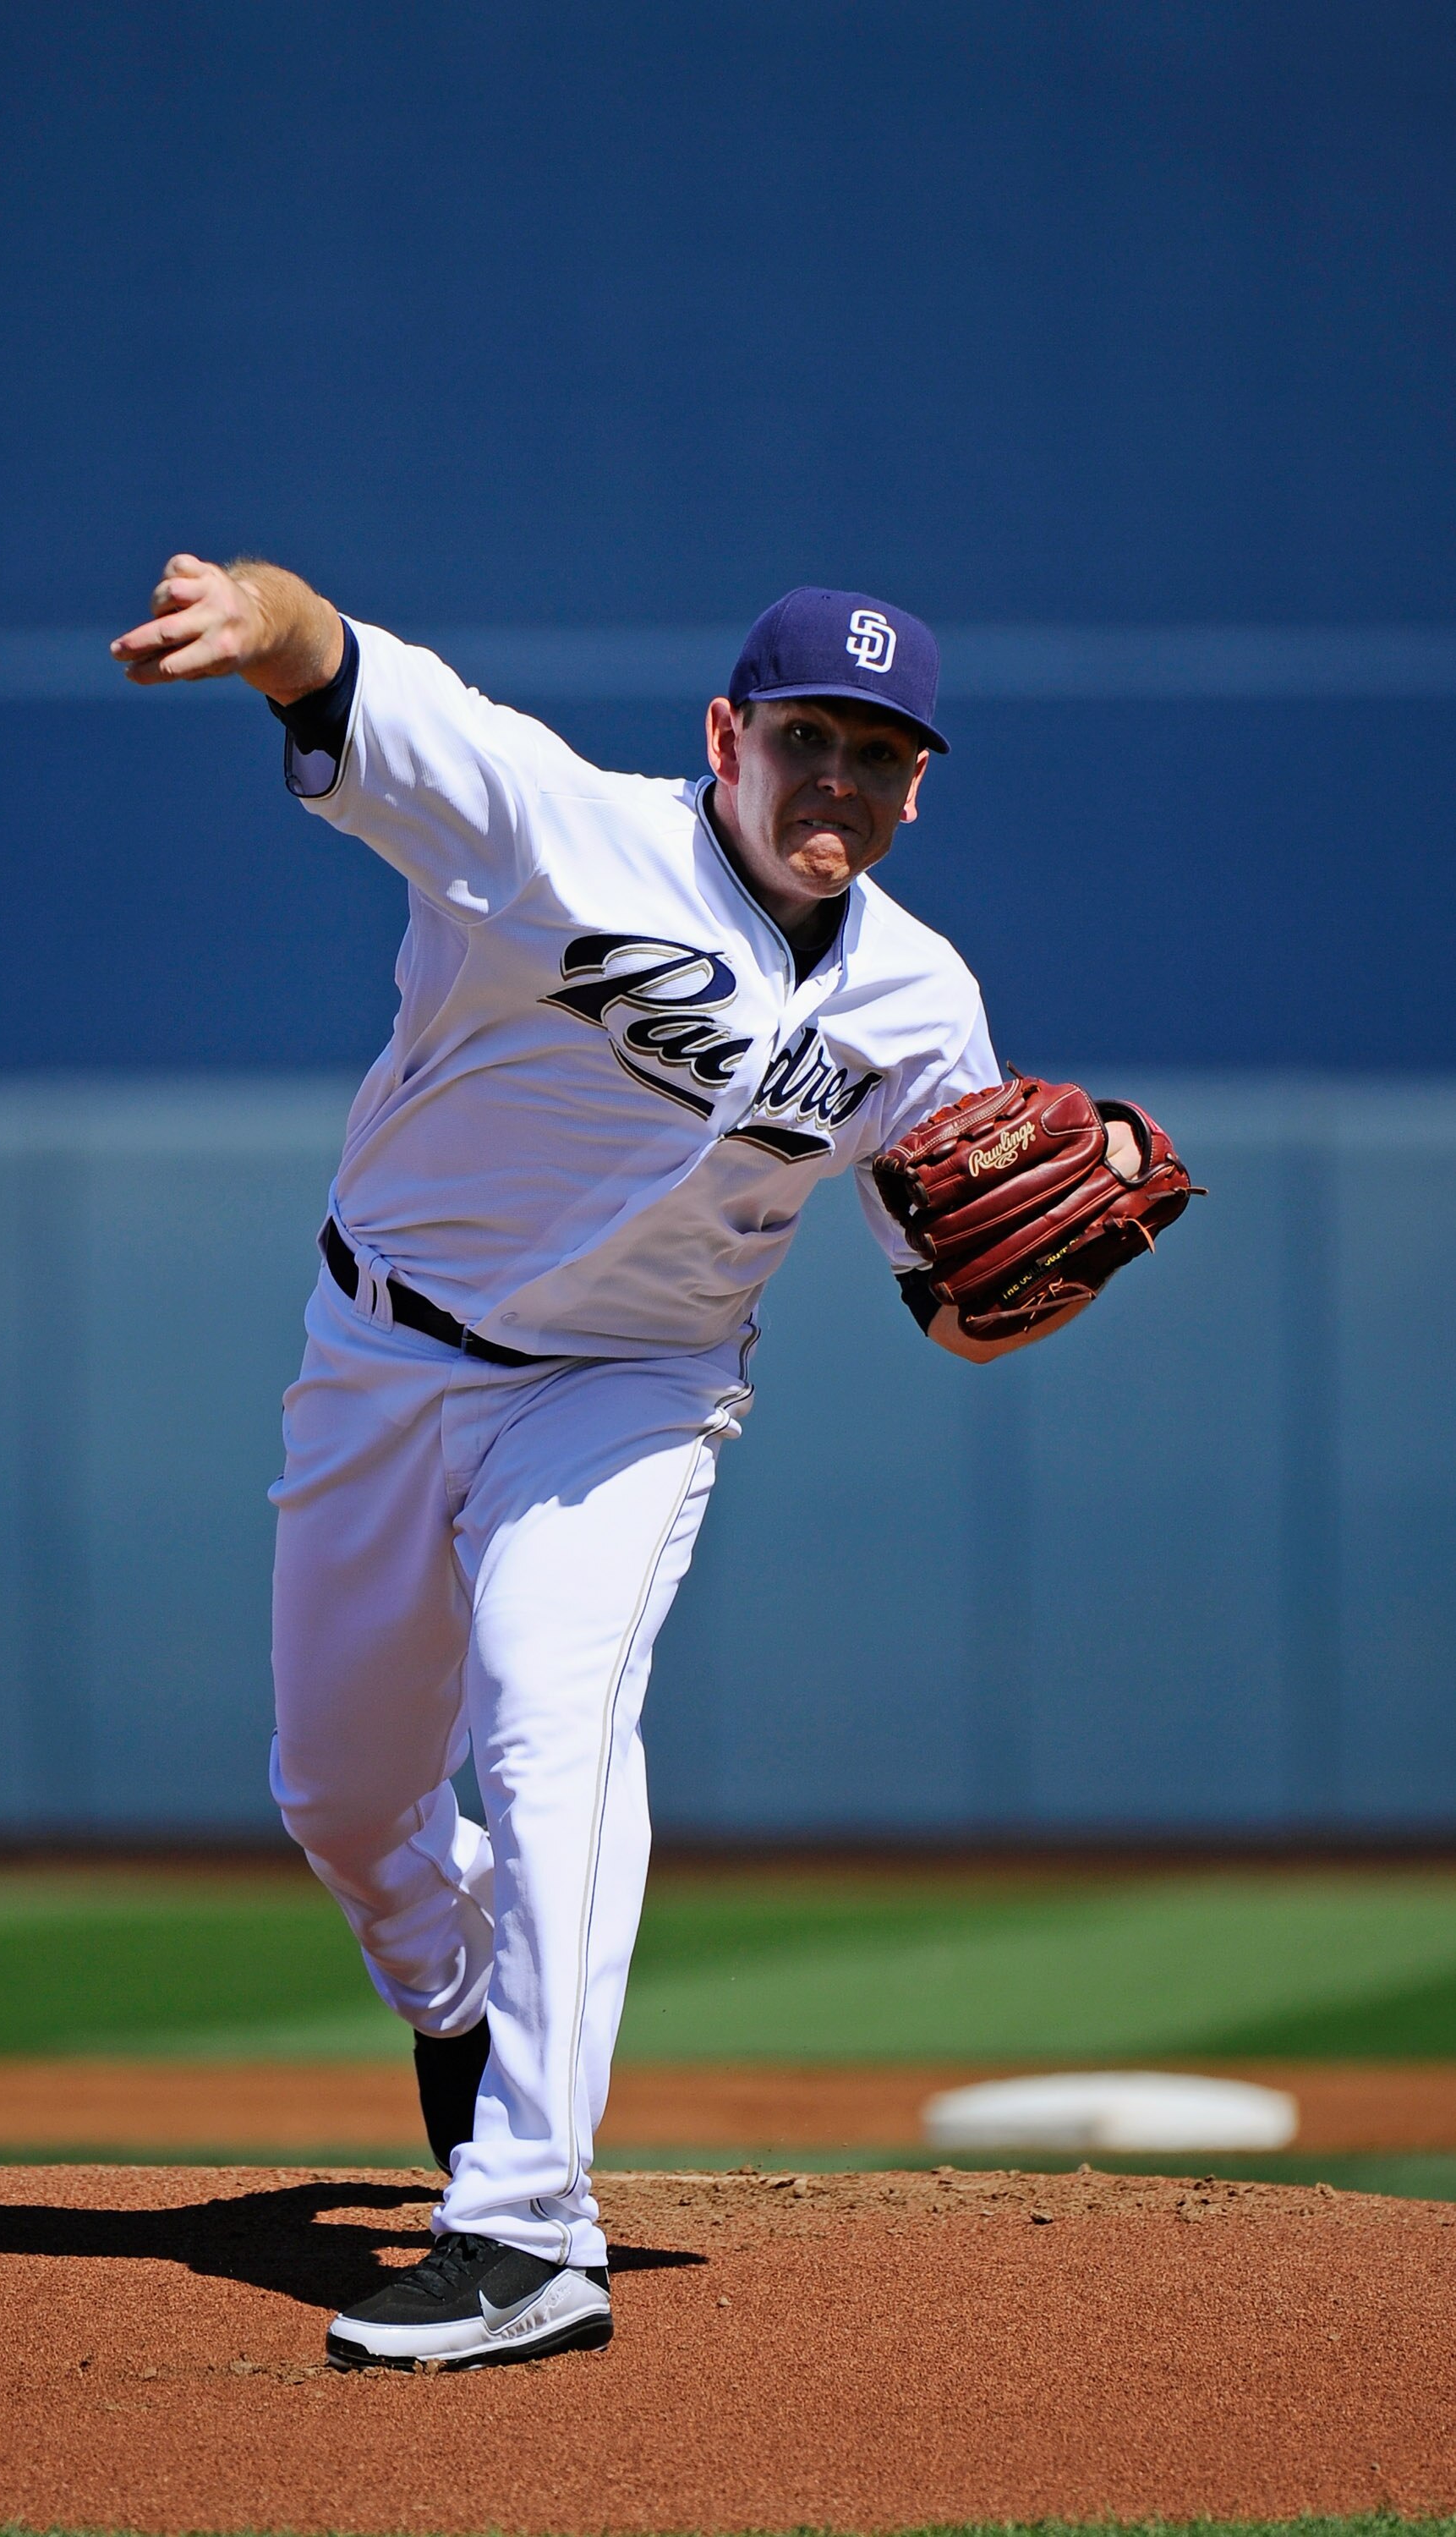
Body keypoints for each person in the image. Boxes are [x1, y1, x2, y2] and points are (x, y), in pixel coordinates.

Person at [111, 562, 1141, 2370]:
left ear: (920, 788)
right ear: (728, 737)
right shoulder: (556, 834)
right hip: (381, 1346)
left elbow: (952, 1312)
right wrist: (249, 615)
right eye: (809, 736)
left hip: (630, 1393)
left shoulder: (922, 1001)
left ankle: (526, 2229)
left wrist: (1044, 1283)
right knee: (343, 1800)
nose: (841, 780)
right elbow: (340, 661)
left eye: (882, 755)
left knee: (551, 1719)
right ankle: (455, 1995)